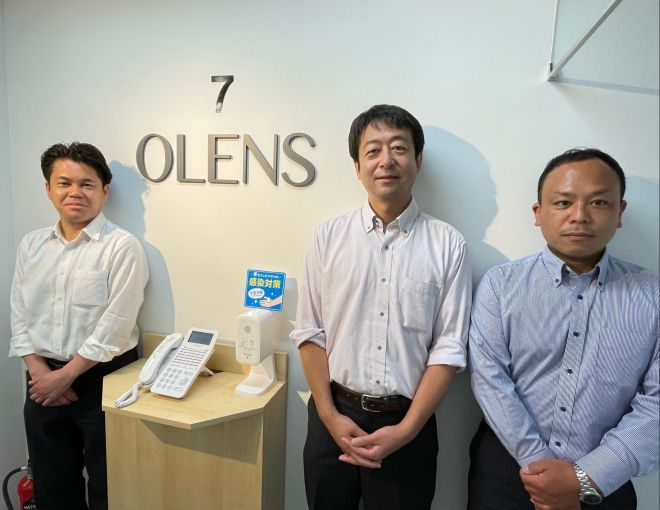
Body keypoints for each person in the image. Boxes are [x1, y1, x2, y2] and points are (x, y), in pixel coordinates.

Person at [290, 104, 472, 510]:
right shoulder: (328, 238)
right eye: (373, 151)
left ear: (417, 160)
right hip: (332, 413)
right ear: (357, 167)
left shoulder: (448, 245)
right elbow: (310, 331)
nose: (386, 160)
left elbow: (449, 347)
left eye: (399, 148)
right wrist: (329, 416)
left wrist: (405, 431)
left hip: (408, 423)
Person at [467, 148, 659, 510]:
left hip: (608, 476)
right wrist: (541, 469)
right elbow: (489, 379)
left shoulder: (653, 295)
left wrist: (584, 477)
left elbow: (657, 404)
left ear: (620, 212)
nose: (579, 215)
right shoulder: (500, 285)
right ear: (538, 213)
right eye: (563, 202)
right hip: (507, 473)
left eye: (599, 202)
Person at [9, 142, 149, 510]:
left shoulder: (121, 246)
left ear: (105, 191)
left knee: (110, 485)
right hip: (41, 380)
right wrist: (40, 372)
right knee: (51, 485)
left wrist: (67, 376)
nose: (75, 192)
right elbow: (19, 312)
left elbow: (117, 324)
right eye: (64, 183)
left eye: (87, 184)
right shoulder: (31, 245)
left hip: (103, 378)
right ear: (48, 189)